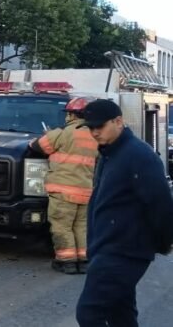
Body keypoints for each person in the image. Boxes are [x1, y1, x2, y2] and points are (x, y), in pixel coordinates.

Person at [75, 99, 173, 327]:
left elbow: (161, 205)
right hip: (107, 247)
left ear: (118, 121)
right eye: (90, 127)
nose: (94, 132)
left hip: (124, 251)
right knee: (121, 314)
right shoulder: (110, 153)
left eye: (100, 126)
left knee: (89, 313)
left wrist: (162, 243)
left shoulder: (139, 155)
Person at [28, 97, 98, 274]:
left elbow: (37, 146)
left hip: (63, 192)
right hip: (86, 191)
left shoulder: (63, 133)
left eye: (68, 114)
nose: (67, 117)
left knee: (62, 226)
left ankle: (66, 262)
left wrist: (47, 135)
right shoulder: (96, 135)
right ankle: (83, 261)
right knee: (81, 227)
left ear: (73, 115)